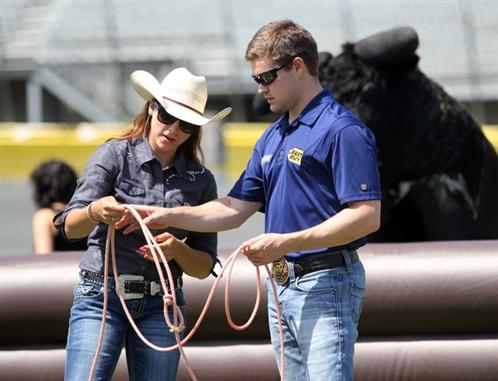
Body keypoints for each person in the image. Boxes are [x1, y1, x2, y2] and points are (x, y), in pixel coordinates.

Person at [119, 20, 381, 381]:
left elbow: (367, 217)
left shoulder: (343, 130)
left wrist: (286, 243)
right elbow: (233, 208)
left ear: (298, 66)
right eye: (257, 80)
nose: (260, 89)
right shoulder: (273, 137)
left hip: (327, 281)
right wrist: (165, 215)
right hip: (283, 287)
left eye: (265, 78)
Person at [54, 67, 231, 381]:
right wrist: (95, 211)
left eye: (186, 124)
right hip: (101, 296)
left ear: (194, 131)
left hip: (162, 304)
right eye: (166, 115)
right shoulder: (113, 155)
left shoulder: (202, 181)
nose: (173, 129)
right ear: (151, 107)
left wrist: (177, 249)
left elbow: (204, 267)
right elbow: (69, 226)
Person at [30, 159, 87, 254]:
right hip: (86, 267)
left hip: (60, 268)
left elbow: (43, 257)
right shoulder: (84, 213)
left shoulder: (44, 216)